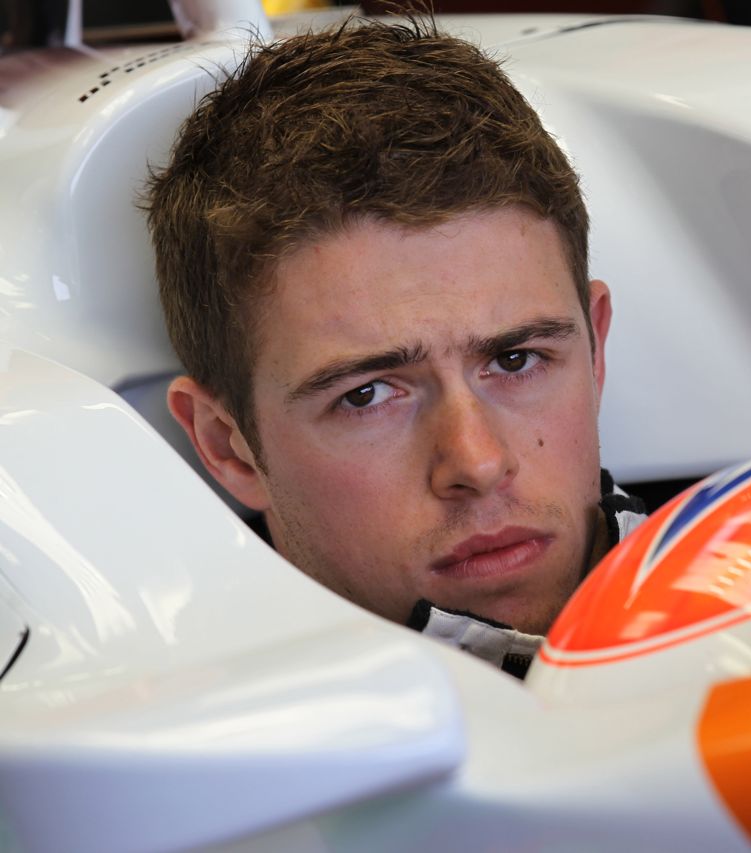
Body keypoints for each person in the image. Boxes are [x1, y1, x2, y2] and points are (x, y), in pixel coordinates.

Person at [145, 17, 645, 677]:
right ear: (227, 444)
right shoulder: (182, 750)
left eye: (516, 359)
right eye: (366, 394)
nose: (478, 462)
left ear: (595, 349)